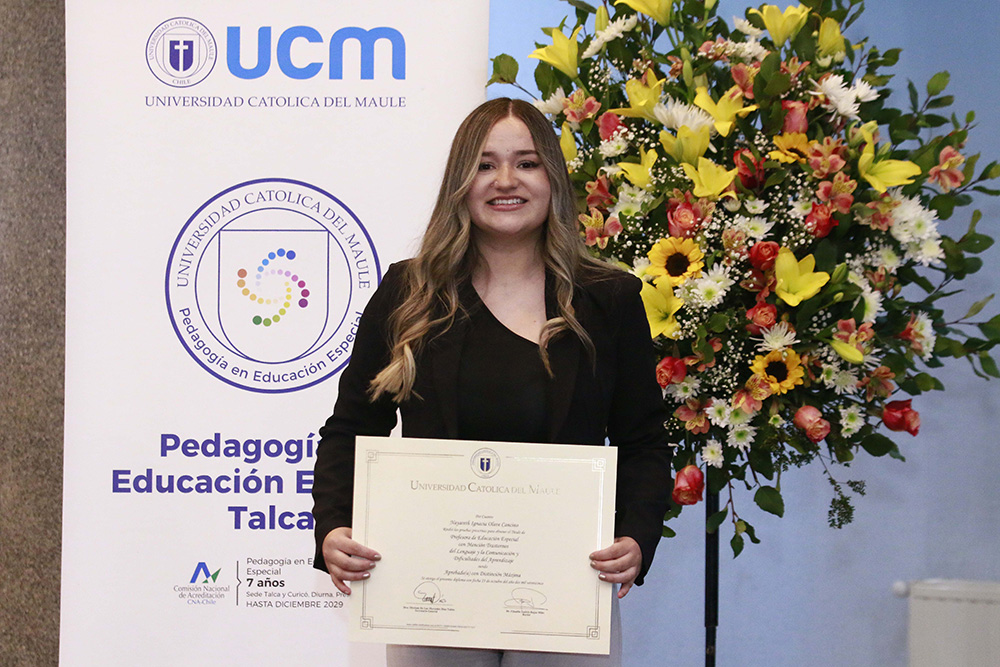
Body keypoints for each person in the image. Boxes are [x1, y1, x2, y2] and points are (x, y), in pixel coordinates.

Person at [312, 97, 673, 666]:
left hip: (568, 589)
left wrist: (635, 537)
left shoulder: (610, 299)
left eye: (526, 163)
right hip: (428, 592)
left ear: (553, 179)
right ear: (460, 182)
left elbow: (643, 441)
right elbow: (352, 428)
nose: (506, 180)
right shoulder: (409, 293)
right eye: (484, 165)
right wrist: (334, 526)